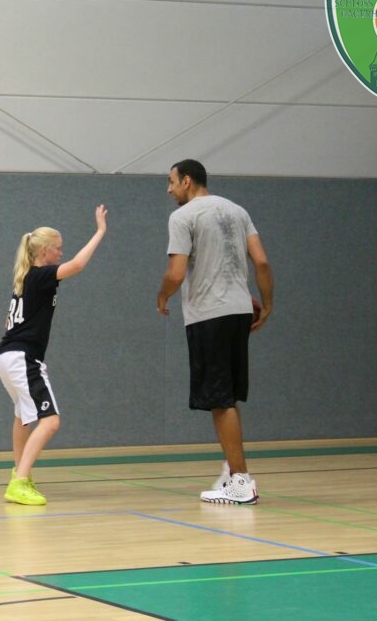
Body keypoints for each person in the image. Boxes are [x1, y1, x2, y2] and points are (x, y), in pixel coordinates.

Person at [156, 160, 273, 505]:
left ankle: (241, 482)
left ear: (187, 181)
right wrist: (267, 302)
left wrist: (162, 295)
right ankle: (230, 470)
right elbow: (261, 261)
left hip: (209, 314)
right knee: (227, 397)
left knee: (219, 400)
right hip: (239, 312)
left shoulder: (183, 216)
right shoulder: (238, 210)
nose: (169, 189)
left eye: (171, 182)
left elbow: (176, 272)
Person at [0, 205, 107, 506]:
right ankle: (20, 481)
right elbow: (78, 264)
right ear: (44, 250)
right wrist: (99, 232)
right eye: (58, 248)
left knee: (23, 416)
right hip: (22, 358)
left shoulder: (25, 278)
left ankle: (19, 473)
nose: (61, 252)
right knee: (51, 421)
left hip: (6, 356)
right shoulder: (41, 275)